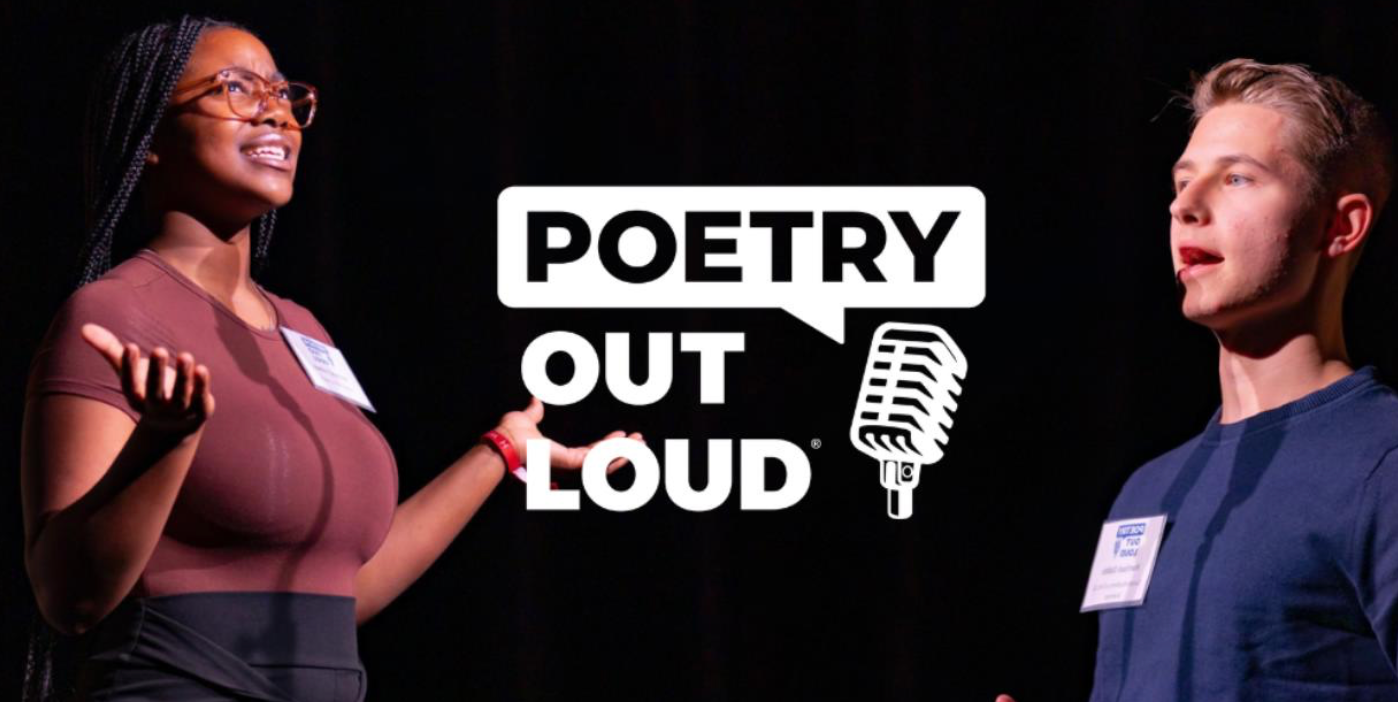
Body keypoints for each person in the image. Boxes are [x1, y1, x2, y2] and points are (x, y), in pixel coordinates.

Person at [19, 15, 641, 702]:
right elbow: (69, 598)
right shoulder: (112, 315)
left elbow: (344, 587)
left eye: (284, 94)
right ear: (151, 138)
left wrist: (502, 451)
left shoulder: (303, 329)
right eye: (236, 88)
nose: (276, 113)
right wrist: (164, 442)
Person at [998, 58, 1398, 701]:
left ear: (1340, 225)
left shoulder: (1382, 463)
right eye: (1183, 182)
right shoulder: (1146, 492)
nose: (1185, 206)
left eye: (1237, 177)